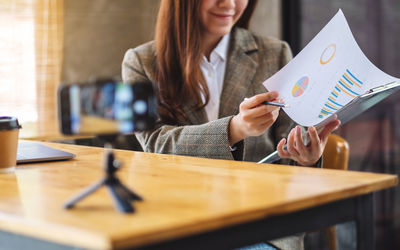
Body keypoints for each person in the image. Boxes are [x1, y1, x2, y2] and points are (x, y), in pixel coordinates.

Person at [122, 0, 340, 249]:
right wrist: (234, 129)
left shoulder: (274, 53)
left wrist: (307, 158)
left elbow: (291, 157)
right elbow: (155, 144)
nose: (229, 3)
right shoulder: (141, 62)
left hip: (261, 225)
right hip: (179, 220)